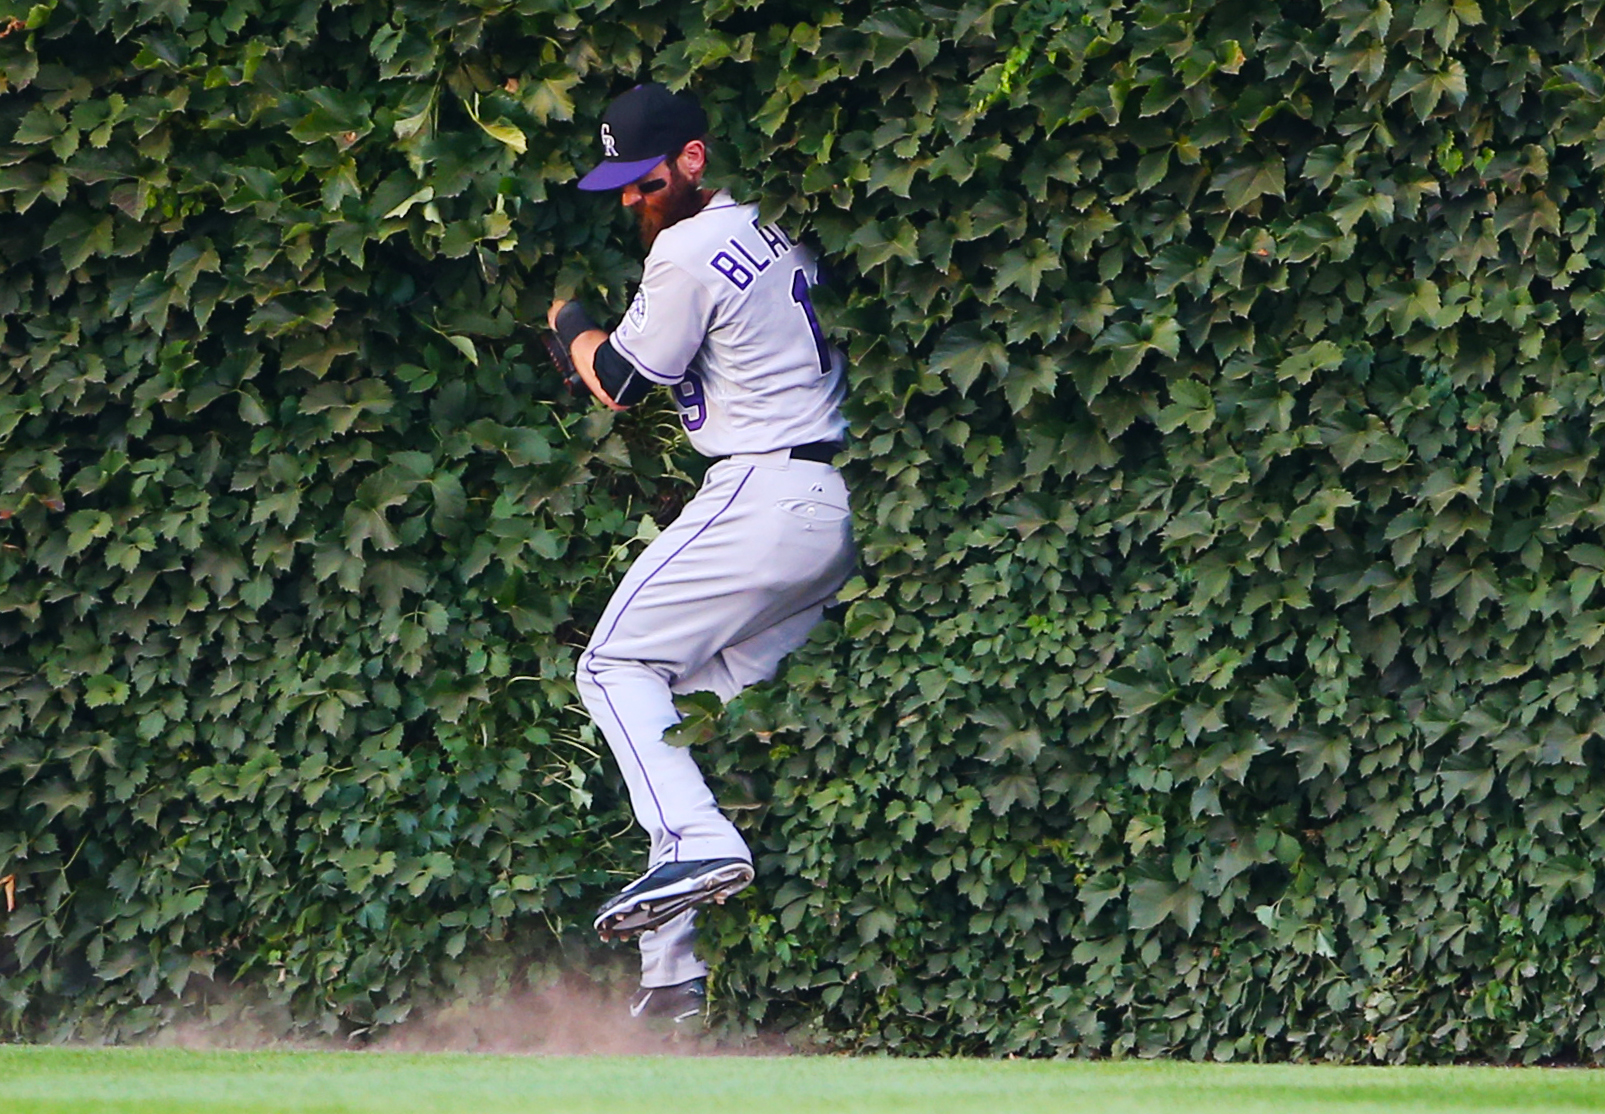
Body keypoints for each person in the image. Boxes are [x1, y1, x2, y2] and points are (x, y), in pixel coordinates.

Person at [543, 82, 855, 1024]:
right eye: (623, 191)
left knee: (611, 666)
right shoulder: (777, 220)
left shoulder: (685, 249)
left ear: (692, 158)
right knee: (669, 718)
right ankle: (671, 981)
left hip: (761, 490)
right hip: (829, 506)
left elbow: (623, 384)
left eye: (645, 181)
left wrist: (566, 326)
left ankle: (701, 842)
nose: (634, 203)